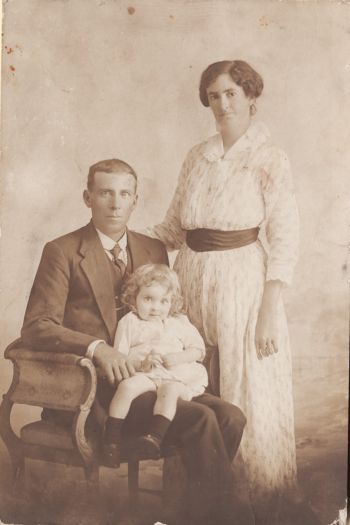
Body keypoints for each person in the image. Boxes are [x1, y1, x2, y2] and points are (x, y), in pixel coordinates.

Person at [20, 158, 248, 525]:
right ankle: (225, 519)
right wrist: (97, 348)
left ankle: (196, 513)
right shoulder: (62, 251)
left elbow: (168, 314)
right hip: (98, 392)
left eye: (124, 194)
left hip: (155, 378)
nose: (114, 203)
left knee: (232, 417)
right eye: (105, 193)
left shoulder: (153, 249)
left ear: (135, 201)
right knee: (202, 420)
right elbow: (37, 326)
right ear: (87, 197)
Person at [147, 60, 300, 522]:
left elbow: (285, 236)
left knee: (242, 384)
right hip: (190, 280)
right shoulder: (197, 155)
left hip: (243, 286)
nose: (222, 103)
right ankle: (195, 499)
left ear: (251, 96)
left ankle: (248, 500)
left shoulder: (269, 156)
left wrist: (270, 308)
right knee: (191, 380)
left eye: (232, 93)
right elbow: (173, 227)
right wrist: (119, 244)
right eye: (214, 95)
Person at [103, 263, 208, 466]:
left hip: (175, 375)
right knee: (127, 387)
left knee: (168, 392)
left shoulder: (180, 323)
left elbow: (198, 350)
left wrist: (179, 357)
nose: (155, 307)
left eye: (163, 301)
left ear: (172, 303)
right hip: (146, 373)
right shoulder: (130, 322)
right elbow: (120, 355)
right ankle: (111, 440)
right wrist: (143, 363)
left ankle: (154, 438)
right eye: (148, 299)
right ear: (134, 298)